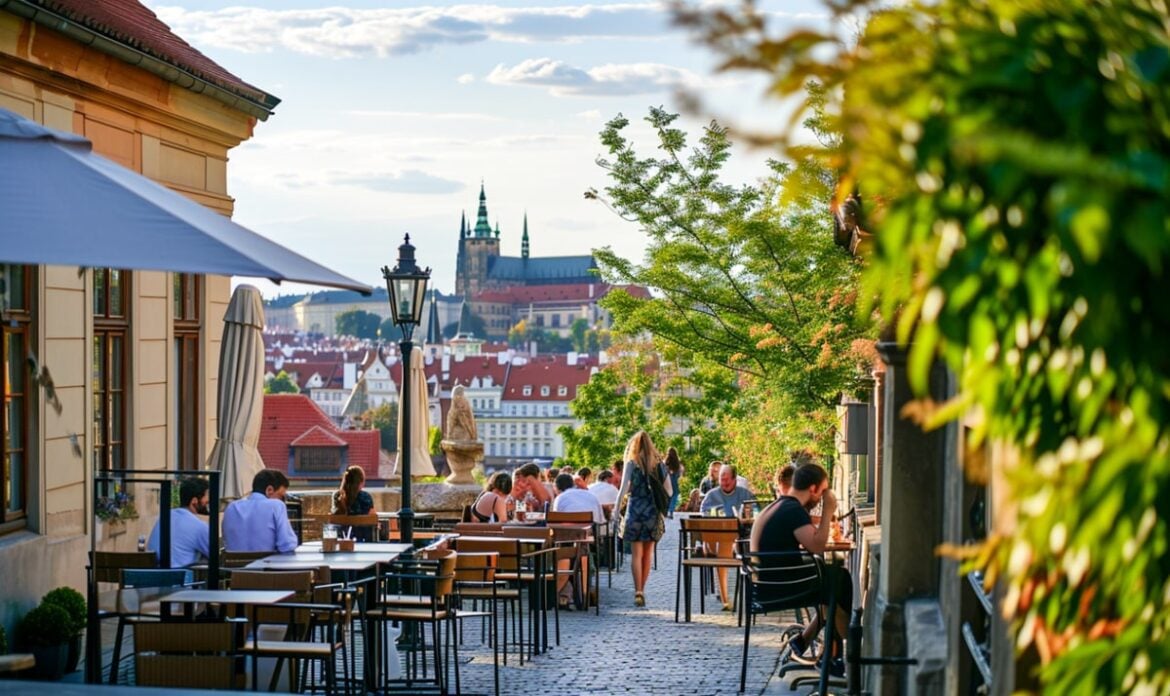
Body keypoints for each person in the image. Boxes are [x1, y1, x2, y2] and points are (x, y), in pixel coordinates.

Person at [750, 463, 852, 673]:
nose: (822, 497)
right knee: (839, 580)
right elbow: (817, 545)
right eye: (823, 491)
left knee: (833, 578)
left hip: (766, 584)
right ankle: (849, 651)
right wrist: (828, 511)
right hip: (781, 587)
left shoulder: (779, 505)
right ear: (813, 489)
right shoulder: (793, 511)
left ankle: (819, 649)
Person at [612, 430, 672, 607]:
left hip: (635, 511)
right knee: (648, 554)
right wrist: (663, 507)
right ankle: (642, 589)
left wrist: (616, 511)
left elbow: (623, 488)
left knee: (636, 554)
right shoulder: (659, 465)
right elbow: (669, 491)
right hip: (652, 511)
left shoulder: (632, 463)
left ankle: (637, 590)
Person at [699, 464, 756, 610]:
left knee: (730, 542)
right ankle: (725, 598)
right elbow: (704, 516)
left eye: (727, 480)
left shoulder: (745, 494)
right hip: (717, 539)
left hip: (741, 538)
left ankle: (745, 595)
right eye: (721, 480)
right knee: (724, 541)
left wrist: (748, 514)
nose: (724, 483)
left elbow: (755, 512)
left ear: (734, 479)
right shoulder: (711, 495)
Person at [223, 469, 298, 553]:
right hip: (264, 564)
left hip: (233, 565)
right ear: (269, 490)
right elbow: (287, 545)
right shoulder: (276, 505)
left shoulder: (231, 507)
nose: (282, 501)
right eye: (281, 496)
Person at [147, 477, 210, 568]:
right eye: (206, 496)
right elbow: (215, 556)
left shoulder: (164, 517)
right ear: (194, 501)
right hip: (181, 579)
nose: (207, 501)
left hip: (155, 577)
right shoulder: (199, 526)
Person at [331, 465, 377, 540]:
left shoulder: (337, 496)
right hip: (362, 540)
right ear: (361, 482)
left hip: (341, 539)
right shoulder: (365, 497)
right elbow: (372, 519)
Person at [663, 447, 683, 518]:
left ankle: (666, 511)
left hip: (667, 481)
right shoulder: (677, 463)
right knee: (674, 496)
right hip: (674, 482)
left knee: (667, 496)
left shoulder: (665, 462)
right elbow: (680, 473)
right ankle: (671, 511)